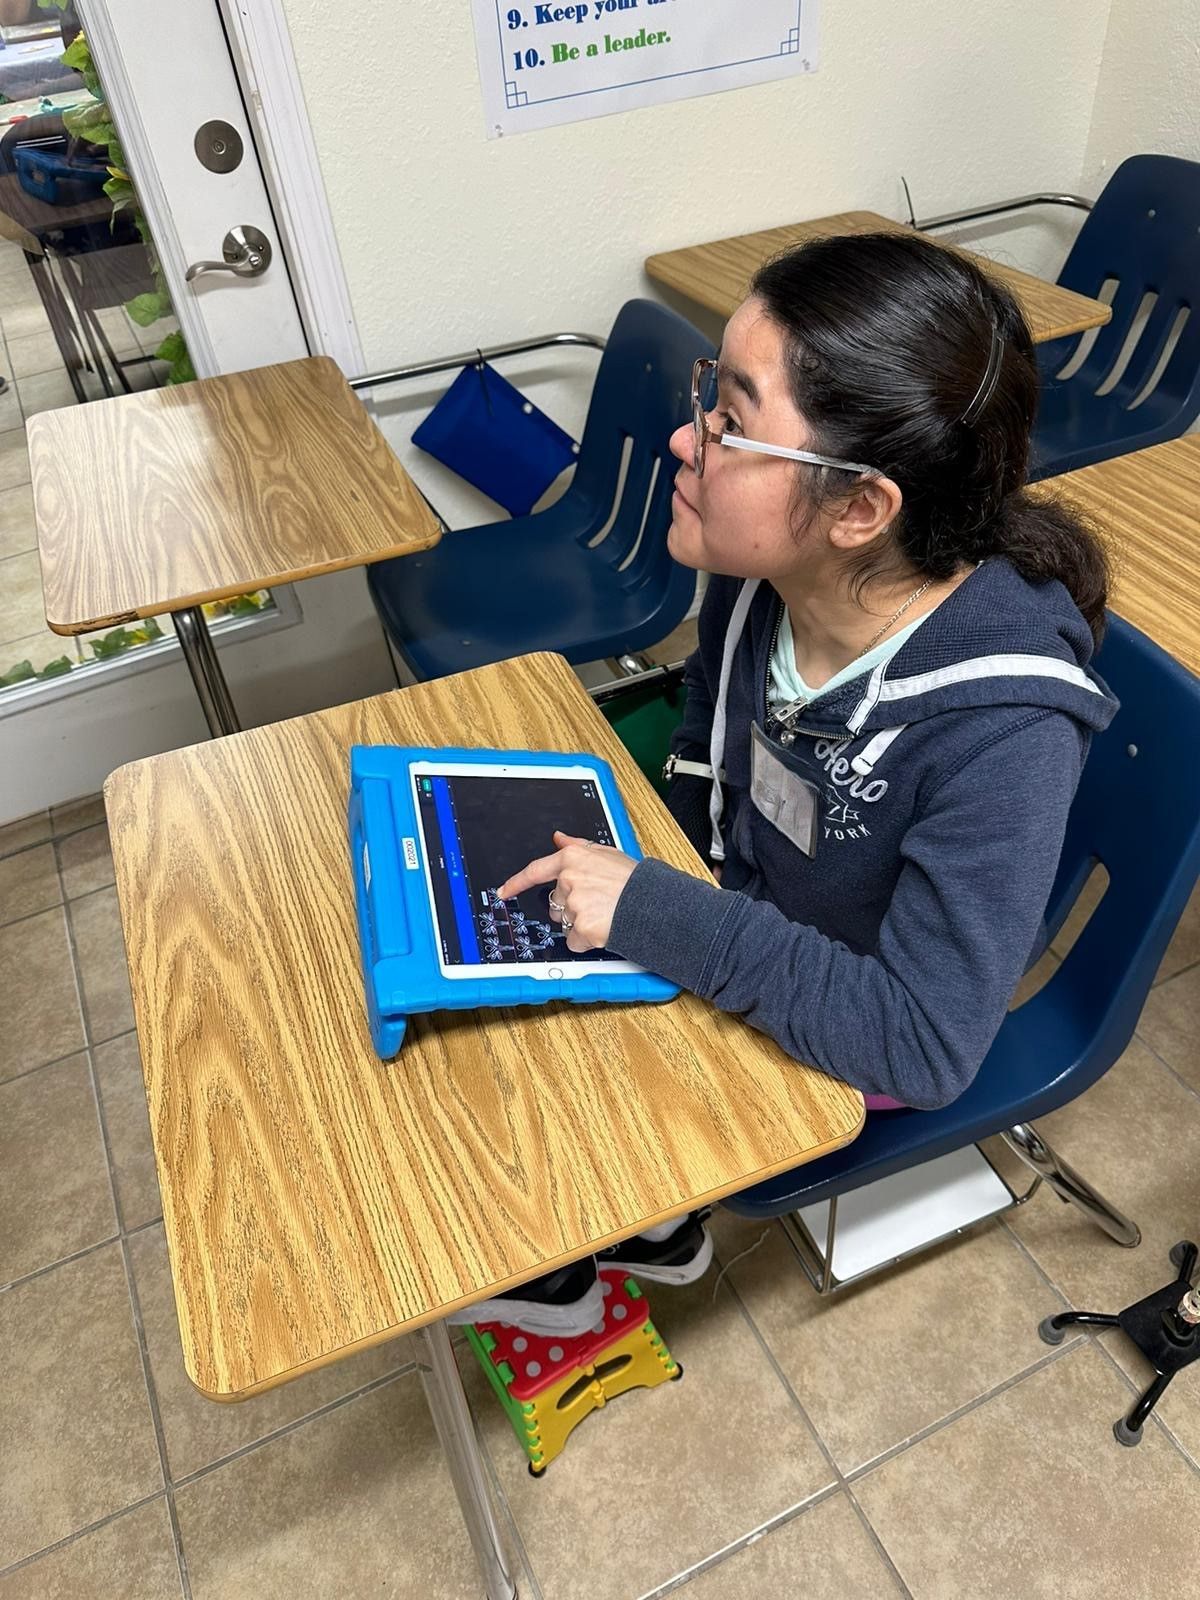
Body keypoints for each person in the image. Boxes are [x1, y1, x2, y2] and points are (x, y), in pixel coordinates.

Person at [460, 231, 1116, 1336]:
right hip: (755, 913)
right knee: (505, 976)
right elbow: (714, 766)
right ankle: (655, 1226)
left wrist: (660, 914)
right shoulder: (765, 578)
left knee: (536, 1102)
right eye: (709, 392)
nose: (686, 436)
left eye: (733, 419)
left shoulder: (1006, 725)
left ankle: (609, 1233)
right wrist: (651, 886)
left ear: (861, 508)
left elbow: (923, 1041)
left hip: (863, 1022)